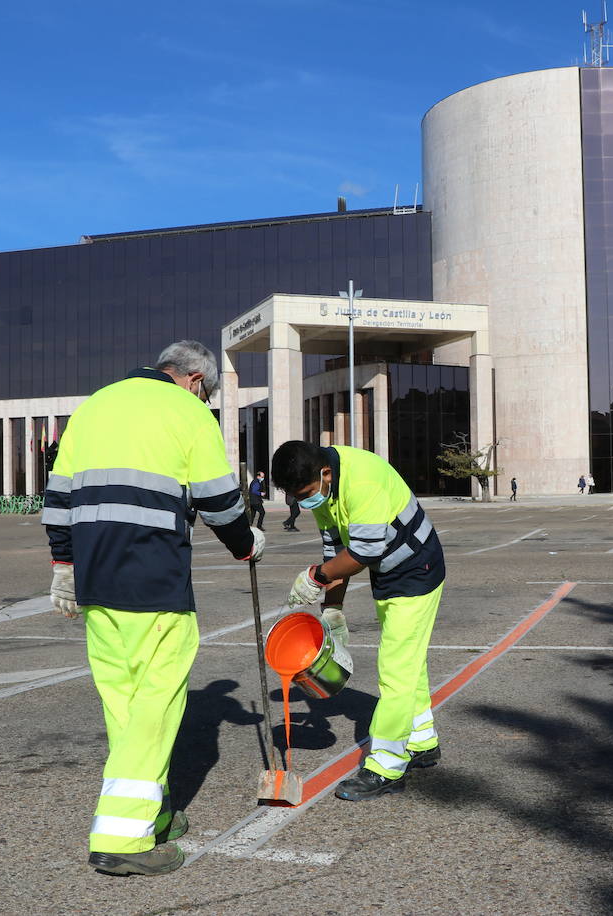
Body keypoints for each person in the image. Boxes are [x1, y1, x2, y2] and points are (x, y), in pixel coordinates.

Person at [42, 340, 263, 877]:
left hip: (94, 577)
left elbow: (58, 497)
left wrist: (64, 566)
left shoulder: (96, 404)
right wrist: (246, 542)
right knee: (156, 704)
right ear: (193, 380)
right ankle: (124, 837)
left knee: (122, 701)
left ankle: (156, 809)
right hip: (154, 576)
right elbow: (217, 496)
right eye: (206, 392)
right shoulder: (185, 410)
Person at [272, 440, 445, 802]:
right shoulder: (325, 487)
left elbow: (364, 552)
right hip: (389, 572)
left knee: (396, 668)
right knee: (410, 661)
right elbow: (337, 550)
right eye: (295, 498)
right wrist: (333, 608)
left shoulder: (362, 480)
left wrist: (315, 578)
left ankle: (386, 765)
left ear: (325, 474)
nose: (303, 504)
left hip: (416, 568)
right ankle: (423, 742)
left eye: (305, 494)